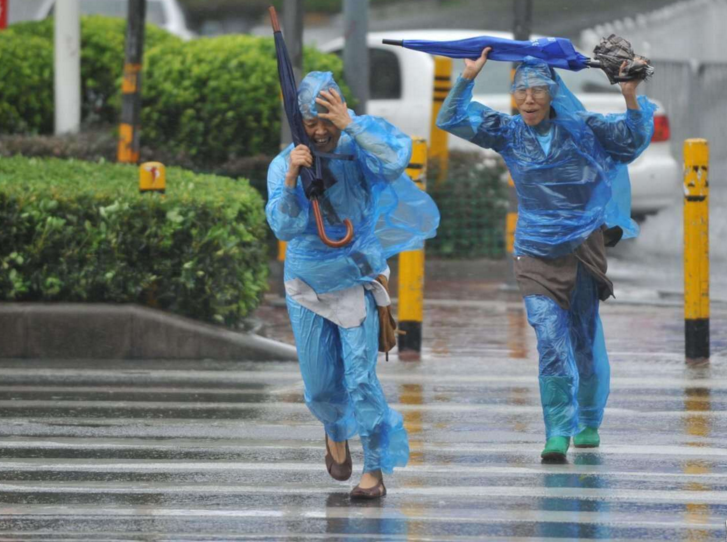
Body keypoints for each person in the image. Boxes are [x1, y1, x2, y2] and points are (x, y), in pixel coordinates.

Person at [437, 48, 655, 461]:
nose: (530, 99)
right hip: (534, 252)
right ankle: (557, 430)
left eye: (538, 90)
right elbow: (450, 118)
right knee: (550, 340)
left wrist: (629, 94)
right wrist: (467, 78)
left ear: (553, 93)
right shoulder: (507, 131)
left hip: (582, 248)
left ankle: (588, 419)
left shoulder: (583, 129)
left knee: (584, 338)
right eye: (522, 91)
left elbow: (631, 141)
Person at [267, 71, 439, 497]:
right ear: (298, 120)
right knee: (322, 385)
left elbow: (394, 163)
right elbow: (283, 227)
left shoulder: (356, 144)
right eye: (312, 121)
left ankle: (375, 470)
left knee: (361, 378)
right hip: (306, 284)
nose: (321, 129)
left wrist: (353, 126)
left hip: (357, 276)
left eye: (328, 117)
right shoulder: (285, 161)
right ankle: (335, 430)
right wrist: (292, 178)